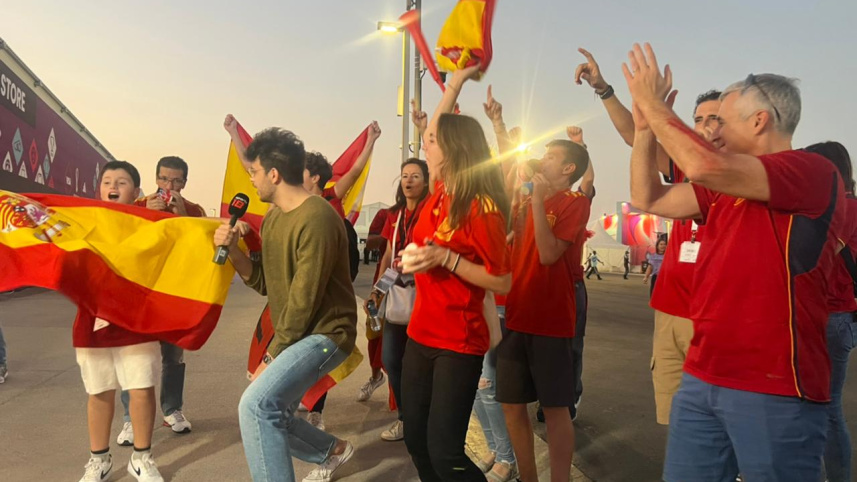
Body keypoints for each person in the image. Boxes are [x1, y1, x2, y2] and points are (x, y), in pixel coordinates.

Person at [626, 43, 846, 481]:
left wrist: (654, 104)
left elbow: (702, 165)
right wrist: (644, 128)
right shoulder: (725, 184)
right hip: (703, 376)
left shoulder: (811, 172)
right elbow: (649, 198)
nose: (712, 131)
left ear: (760, 120)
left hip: (776, 386)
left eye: (721, 121)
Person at [575, 46, 721, 425]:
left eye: (717, 119)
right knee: (678, 420)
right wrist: (605, 89)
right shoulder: (684, 167)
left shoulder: (742, 178)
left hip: (716, 316)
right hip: (671, 308)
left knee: (719, 420)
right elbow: (633, 134)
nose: (707, 127)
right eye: (700, 119)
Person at [214, 127, 357, 482]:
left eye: (254, 173)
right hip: (298, 333)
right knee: (273, 411)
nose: (252, 181)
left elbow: (303, 300)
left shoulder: (319, 217)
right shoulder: (276, 217)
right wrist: (233, 250)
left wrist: (271, 356)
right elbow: (265, 281)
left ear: (274, 174)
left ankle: (327, 452)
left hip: (327, 333)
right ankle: (332, 450)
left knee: (257, 406)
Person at [399, 63, 511, 482]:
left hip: (458, 342)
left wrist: (447, 260)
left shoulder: (480, 205)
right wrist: (456, 83)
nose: (427, 147)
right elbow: (432, 131)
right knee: (416, 440)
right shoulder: (440, 193)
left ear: (455, 149)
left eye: (434, 143)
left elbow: (502, 281)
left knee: (445, 452)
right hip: (420, 334)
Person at [496, 129, 591, 482]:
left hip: (551, 318)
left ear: (568, 168)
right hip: (517, 312)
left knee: (554, 408)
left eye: (551, 156)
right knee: (510, 402)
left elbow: (550, 254)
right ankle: (528, 476)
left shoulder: (574, 203)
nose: (543, 158)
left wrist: (536, 201)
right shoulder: (525, 199)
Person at [76, 160, 164, 482]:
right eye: (107, 181)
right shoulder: (84, 223)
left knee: (141, 388)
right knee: (99, 391)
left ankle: (142, 458)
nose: (113, 186)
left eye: (122, 182)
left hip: (137, 322)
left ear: (137, 192)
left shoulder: (150, 225)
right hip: (93, 321)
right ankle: (99, 460)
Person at [117, 156, 204, 446]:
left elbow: (201, 250)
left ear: (185, 183)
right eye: (165, 179)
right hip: (141, 294)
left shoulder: (194, 210)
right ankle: (131, 418)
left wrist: (185, 219)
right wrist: (143, 214)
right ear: (156, 179)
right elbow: (123, 243)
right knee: (136, 356)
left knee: (173, 356)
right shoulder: (136, 208)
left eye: (177, 180)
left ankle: (172, 410)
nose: (170, 185)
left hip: (176, 293)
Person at [363, 158, 430, 442]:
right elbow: (389, 257)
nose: (409, 180)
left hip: (426, 301)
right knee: (391, 359)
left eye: (416, 175)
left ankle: (421, 420)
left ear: (427, 181)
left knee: (420, 366)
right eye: (405, 175)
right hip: (399, 299)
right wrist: (377, 291)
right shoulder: (397, 215)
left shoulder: (431, 212)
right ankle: (406, 418)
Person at [805, 141, 857, 482]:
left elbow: (818, 253)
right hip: (834, 317)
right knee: (821, 407)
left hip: (833, 317)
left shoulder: (846, 208)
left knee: (826, 409)